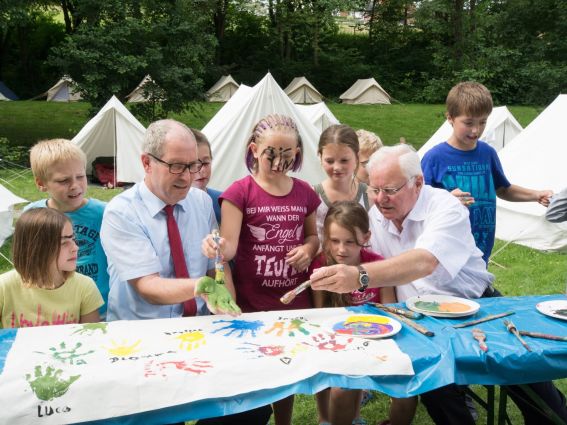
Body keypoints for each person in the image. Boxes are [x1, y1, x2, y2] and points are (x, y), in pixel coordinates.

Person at [310, 144, 567, 425]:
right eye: (374, 189)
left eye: (390, 190)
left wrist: (359, 275)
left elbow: (424, 262)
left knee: (527, 376)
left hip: (478, 307)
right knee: (435, 388)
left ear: (417, 183)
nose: (380, 199)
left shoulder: (445, 206)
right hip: (420, 321)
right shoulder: (376, 217)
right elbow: (353, 247)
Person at [202, 114, 321, 425]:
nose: (279, 160)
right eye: (272, 152)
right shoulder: (240, 192)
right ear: (254, 149)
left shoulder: (305, 191)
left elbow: (313, 236)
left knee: (287, 367)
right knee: (258, 369)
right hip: (252, 301)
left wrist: (308, 249)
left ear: (297, 155)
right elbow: (228, 246)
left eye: (287, 153)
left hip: (293, 300)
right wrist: (215, 246)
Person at [100, 119, 238, 322]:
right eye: (176, 166)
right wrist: (201, 287)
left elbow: (216, 266)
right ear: (147, 163)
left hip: (197, 327)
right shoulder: (121, 212)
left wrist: (229, 311)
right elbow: (148, 287)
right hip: (139, 334)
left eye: (193, 165)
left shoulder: (201, 202)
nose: (187, 177)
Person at [421, 81, 553, 264]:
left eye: (482, 122)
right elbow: (418, 205)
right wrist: (447, 200)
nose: (476, 130)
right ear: (450, 118)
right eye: (468, 123)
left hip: (482, 250)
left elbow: (503, 189)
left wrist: (536, 195)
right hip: (446, 252)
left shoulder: (487, 153)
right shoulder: (434, 158)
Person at [310, 201, 396, 425]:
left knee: (355, 380)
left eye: (349, 242)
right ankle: (324, 419)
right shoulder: (321, 265)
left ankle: (355, 417)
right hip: (332, 338)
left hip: (370, 336)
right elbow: (319, 313)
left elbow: (388, 310)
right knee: (327, 379)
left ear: (366, 238)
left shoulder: (377, 265)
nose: (341, 249)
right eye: (335, 241)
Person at [26, 138, 109, 318]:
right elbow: (29, 262)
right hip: (54, 311)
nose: (75, 185)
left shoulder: (105, 213)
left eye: (80, 176)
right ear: (41, 183)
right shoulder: (33, 215)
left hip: (100, 306)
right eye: (64, 180)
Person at [0, 208, 102, 328]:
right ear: (36, 249)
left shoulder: (84, 286)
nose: (75, 248)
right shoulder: (4, 287)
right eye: (64, 243)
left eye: (73, 239)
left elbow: (92, 337)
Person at [314, 124, 370, 244]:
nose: (337, 167)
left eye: (344, 160)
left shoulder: (369, 195)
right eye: (330, 161)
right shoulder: (312, 196)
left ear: (357, 157)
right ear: (320, 157)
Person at [191, 128, 222, 224]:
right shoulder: (171, 206)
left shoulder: (222, 201)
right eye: (193, 164)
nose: (202, 170)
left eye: (205, 163)